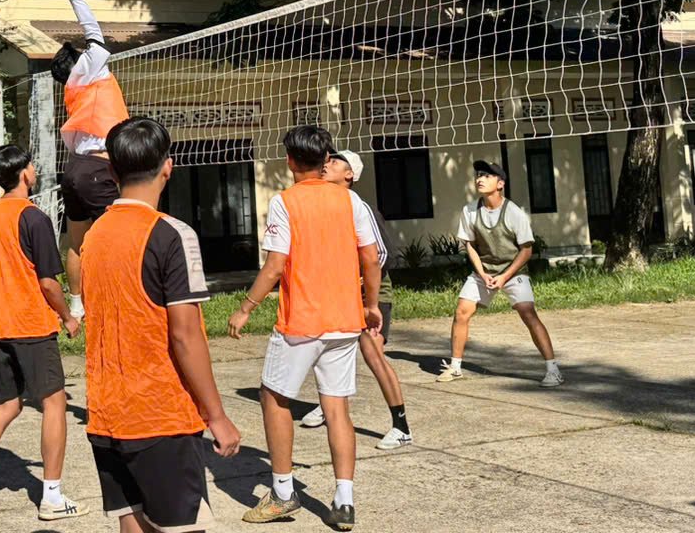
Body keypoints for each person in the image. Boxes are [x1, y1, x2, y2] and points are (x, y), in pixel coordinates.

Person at [83, 117, 241, 533]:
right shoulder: (173, 235)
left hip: (106, 414)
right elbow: (185, 336)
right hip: (161, 415)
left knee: (132, 521)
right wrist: (217, 415)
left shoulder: (94, 236)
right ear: (168, 167)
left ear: (112, 170)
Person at [227, 127, 384, 531]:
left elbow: (275, 265)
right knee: (337, 408)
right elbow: (371, 258)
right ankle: (344, 500)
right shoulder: (351, 200)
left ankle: (283, 493)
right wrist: (370, 305)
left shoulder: (286, 201)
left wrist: (245, 308)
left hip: (301, 323)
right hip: (345, 320)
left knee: (273, 396)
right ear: (326, 160)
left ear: (290, 161)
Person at [0, 145, 87, 521]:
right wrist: (67, 317)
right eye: (31, 165)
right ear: (24, 173)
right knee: (54, 404)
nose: (35, 170)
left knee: (8, 405)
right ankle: (52, 497)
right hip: (31, 325)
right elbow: (48, 283)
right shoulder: (33, 218)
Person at [297, 150, 413, 451]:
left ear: (350, 175)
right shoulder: (324, 204)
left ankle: (401, 426)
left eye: (335, 162)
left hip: (371, 291)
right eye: (327, 161)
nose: (327, 165)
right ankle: (330, 405)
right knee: (326, 348)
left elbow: (382, 255)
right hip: (340, 292)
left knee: (372, 352)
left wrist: (362, 287)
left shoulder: (359, 206)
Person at [437, 160, 563, 387]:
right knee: (462, 311)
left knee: (528, 313)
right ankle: (455, 367)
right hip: (484, 271)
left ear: (500, 183)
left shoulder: (514, 212)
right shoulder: (469, 210)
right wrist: (482, 273)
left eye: (487, 175)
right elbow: (470, 245)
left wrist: (505, 276)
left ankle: (553, 370)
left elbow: (526, 250)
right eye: (478, 175)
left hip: (513, 271)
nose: (480, 179)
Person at [49, 0, 128, 320]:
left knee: (76, 242)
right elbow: (92, 29)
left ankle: (78, 306)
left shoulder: (72, 87)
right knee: (122, 236)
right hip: (98, 169)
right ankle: (118, 299)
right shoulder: (89, 67)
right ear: (78, 61)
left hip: (75, 169)